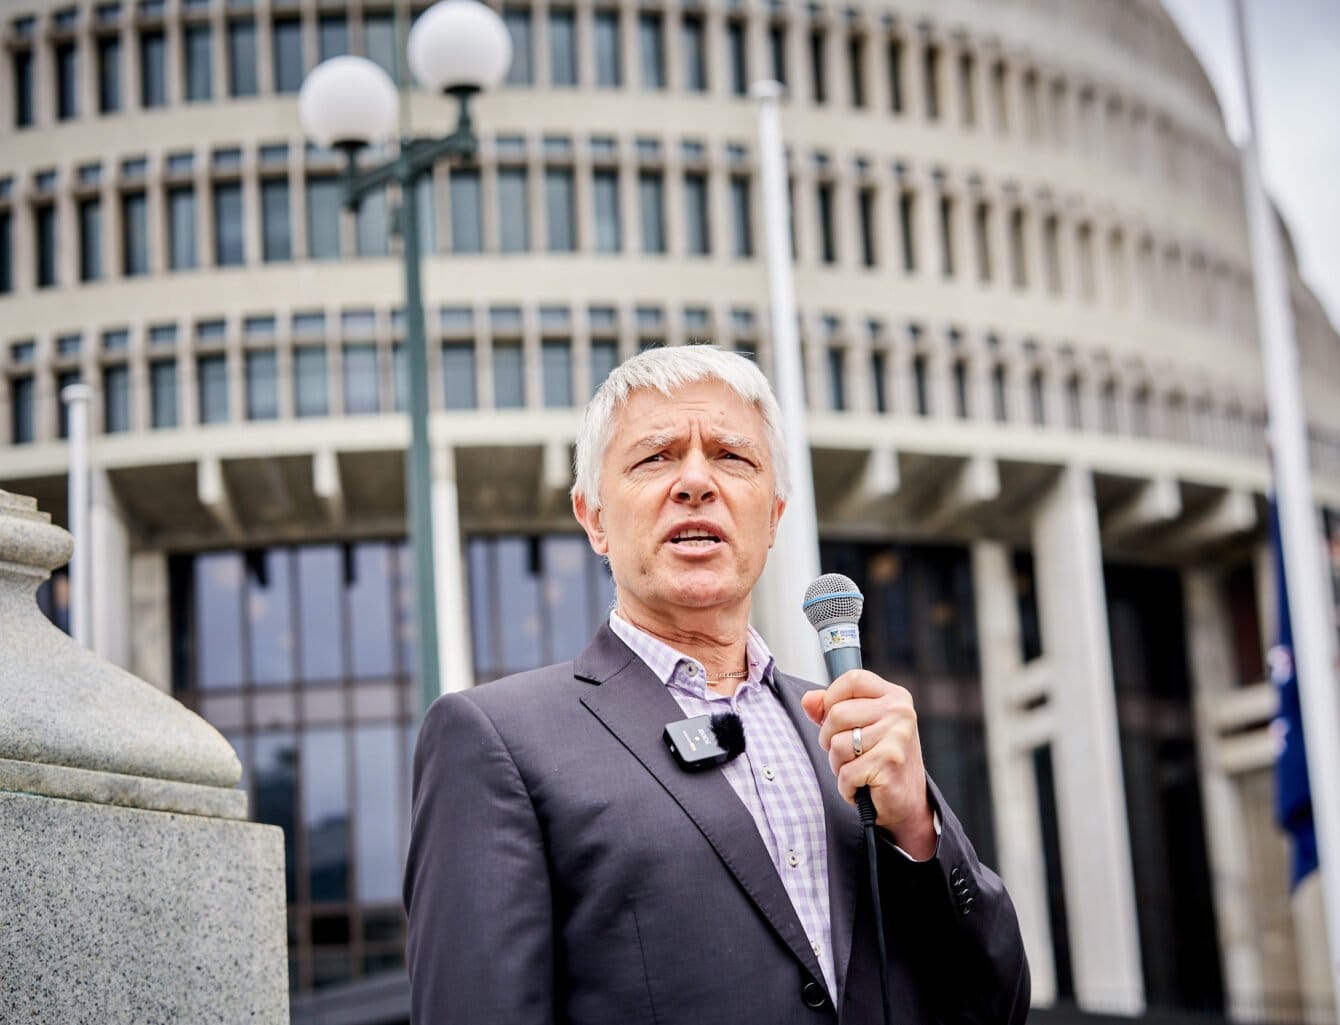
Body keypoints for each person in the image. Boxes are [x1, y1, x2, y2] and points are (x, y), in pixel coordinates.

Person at [404, 345, 1028, 1024]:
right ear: (594, 518)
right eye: (656, 457)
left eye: (732, 457)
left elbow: (996, 1006)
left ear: (775, 515)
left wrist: (919, 831)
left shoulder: (852, 733)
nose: (697, 482)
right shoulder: (496, 739)